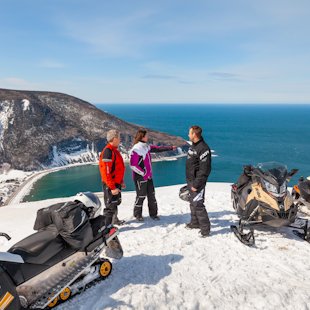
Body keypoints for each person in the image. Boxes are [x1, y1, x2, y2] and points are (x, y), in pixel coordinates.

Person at [129, 128, 176, 221]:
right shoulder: (136, 149)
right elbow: (133, 165)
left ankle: (153, 214)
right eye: (146, 135)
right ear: (142, 137)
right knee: (141, 196)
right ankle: (137, 215)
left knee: (151, 195)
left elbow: (158, 149)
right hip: (140, 177)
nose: (148, 137)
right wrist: (143, 173)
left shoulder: (146, 146)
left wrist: (170, 148)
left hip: (148, 177)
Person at [185, 125, 212, 238]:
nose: (188, 135)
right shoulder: (194, 146)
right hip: (191, 180)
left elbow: (205, 169)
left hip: (197, 182)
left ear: (194, 135)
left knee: (198, 205)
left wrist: (197, 184)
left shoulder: (203, 149)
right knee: (193, 203)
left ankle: (205, 230)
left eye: (189, 133)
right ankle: (195, 222)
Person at [99, 129, 126, 226]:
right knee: (110, 206)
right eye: (119, 138)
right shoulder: (108, 152)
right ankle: (106, 227)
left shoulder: (114, 150)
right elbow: (106, 173)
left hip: (116, 183)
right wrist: (112, 187)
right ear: (114, 139)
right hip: (110, 184)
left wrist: (121, 181)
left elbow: (117, 169)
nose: (120, 140)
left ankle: (114, 221)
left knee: (115, 203)